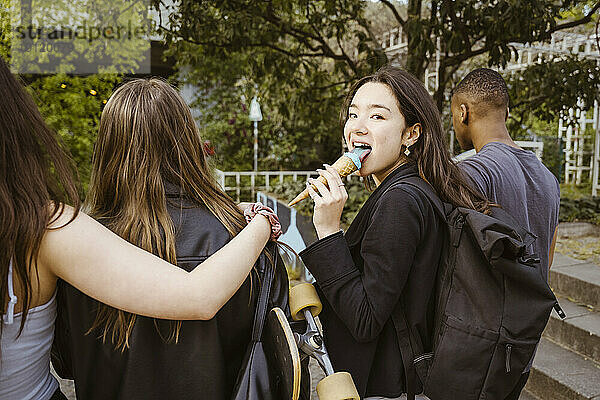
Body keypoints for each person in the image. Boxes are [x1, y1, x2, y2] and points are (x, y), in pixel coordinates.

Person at [0, 56, 278, 400]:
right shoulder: (239, 239)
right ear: (188, 143)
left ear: (109, 150)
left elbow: (67, 362)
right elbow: (260, 349)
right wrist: (258, 220)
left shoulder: (76, 242)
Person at [298, 65, 490, 399]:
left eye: (377, 117)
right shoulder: (406, 189)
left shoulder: (400, 201)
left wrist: (329, 231)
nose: (357, 126)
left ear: (410, 134)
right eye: (354, 114)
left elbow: (366, 319)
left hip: (386, 386)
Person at [451, 68, 560, 400]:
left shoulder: (471, 172)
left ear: (462, 112)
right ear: (507, 113)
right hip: (522, 347)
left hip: (475, 350)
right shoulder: (549, 180)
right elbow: (546, 264)